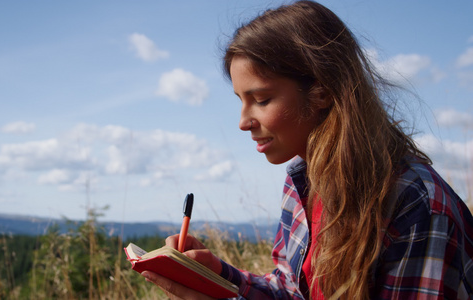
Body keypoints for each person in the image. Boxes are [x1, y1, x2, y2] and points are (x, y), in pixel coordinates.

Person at [141, 1, 473, 299]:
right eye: (241, 101)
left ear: (322, 92)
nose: (243, 122)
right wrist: (216, 274)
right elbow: (290, 291)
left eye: (262, 100)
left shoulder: (414, 203)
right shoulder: (302, 183)